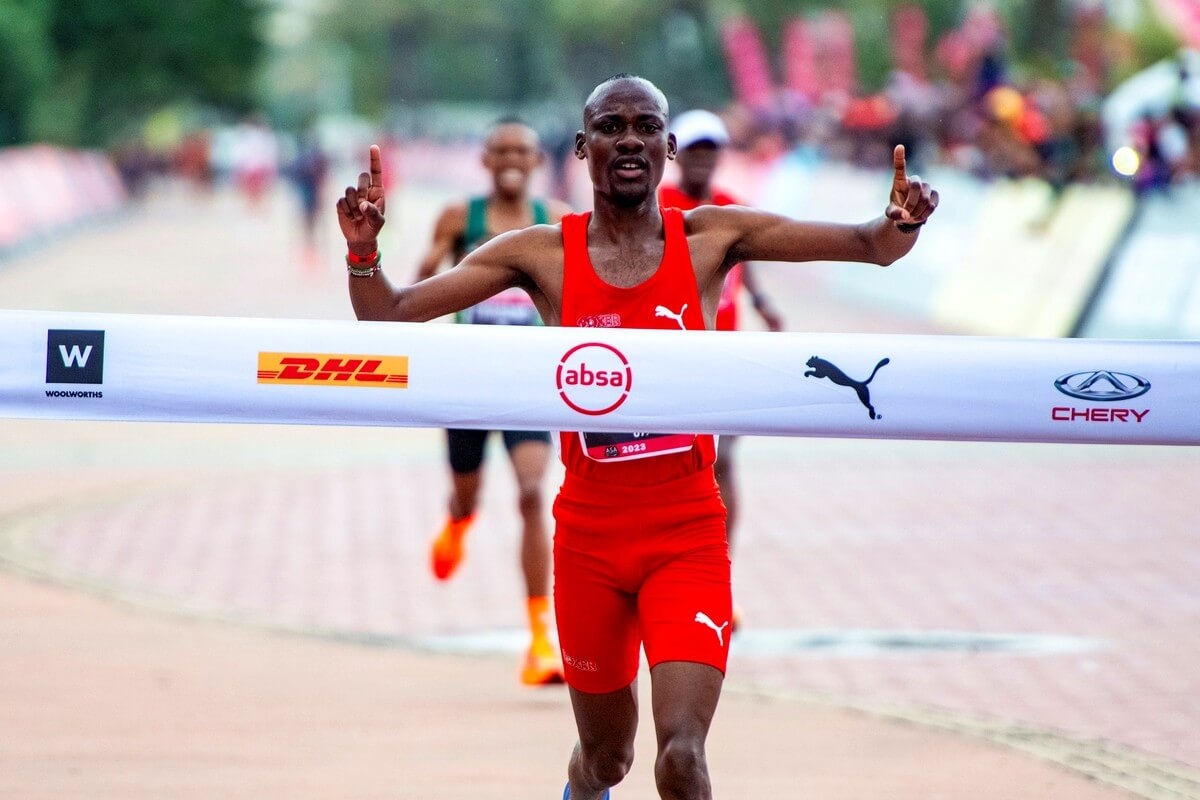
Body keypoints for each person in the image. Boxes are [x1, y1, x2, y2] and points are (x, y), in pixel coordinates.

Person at [337, 74, 938, 800]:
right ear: (584, 148)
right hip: (590, 537)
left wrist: (900, 222)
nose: (630, 138)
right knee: (605, 761)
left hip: (686, 529)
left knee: (681, 759)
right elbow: (391, 316)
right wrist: (364, 253)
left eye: (646, 126)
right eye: (612, 127)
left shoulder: (713, 238)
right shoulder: (541, 254)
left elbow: (869, 245)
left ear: (669, 148)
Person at [413, 117, 572, 687]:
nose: (511, 158)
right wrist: (432, 261)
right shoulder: (461, 217)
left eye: (521, 150)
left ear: (536, 161)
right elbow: (420, 285)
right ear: (484, 159)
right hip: (467, 381)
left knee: (534, 495)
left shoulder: (553, 220)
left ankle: (538, 641)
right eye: (500, 149)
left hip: (527, 384)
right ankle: (457, 521)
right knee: (467, 494)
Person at [658, 109, 783, 630]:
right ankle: (667, 571)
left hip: (724, 356)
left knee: (721, 459)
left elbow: (743, 262)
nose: (703, 158)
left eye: (712, 149)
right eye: (694, 149)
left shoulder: (731, 207)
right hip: (668, 356)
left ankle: (719, 578)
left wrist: (762, 302)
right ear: (676, 153)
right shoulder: (657, 204)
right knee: (669, 468)